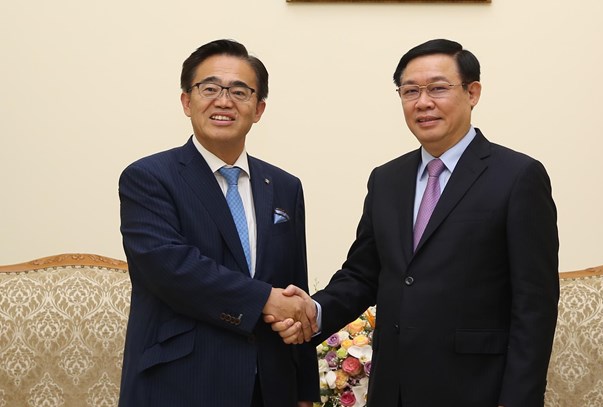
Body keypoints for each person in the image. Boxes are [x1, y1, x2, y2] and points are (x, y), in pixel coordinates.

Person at [269, 39, 559, 407]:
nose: (423, 102)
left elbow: (535, 304)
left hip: (477, 389)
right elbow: (362, 274)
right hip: (394, 389)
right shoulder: (387, 179)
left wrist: (518, 399)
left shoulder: (518, 176)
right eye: (410, 91)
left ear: (473, 93)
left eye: (438, 88)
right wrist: (314, 311)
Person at [118, 39, 318, 407]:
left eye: (239, 92)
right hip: (180, 382)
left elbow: (295, 285)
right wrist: (264, 300)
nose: (224, 101)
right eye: (209, 88)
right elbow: (170, 268)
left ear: (258, 109)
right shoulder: (149, 177)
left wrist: (304, 389)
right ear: (186, 101)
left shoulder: (285, 186)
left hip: (270, 386)